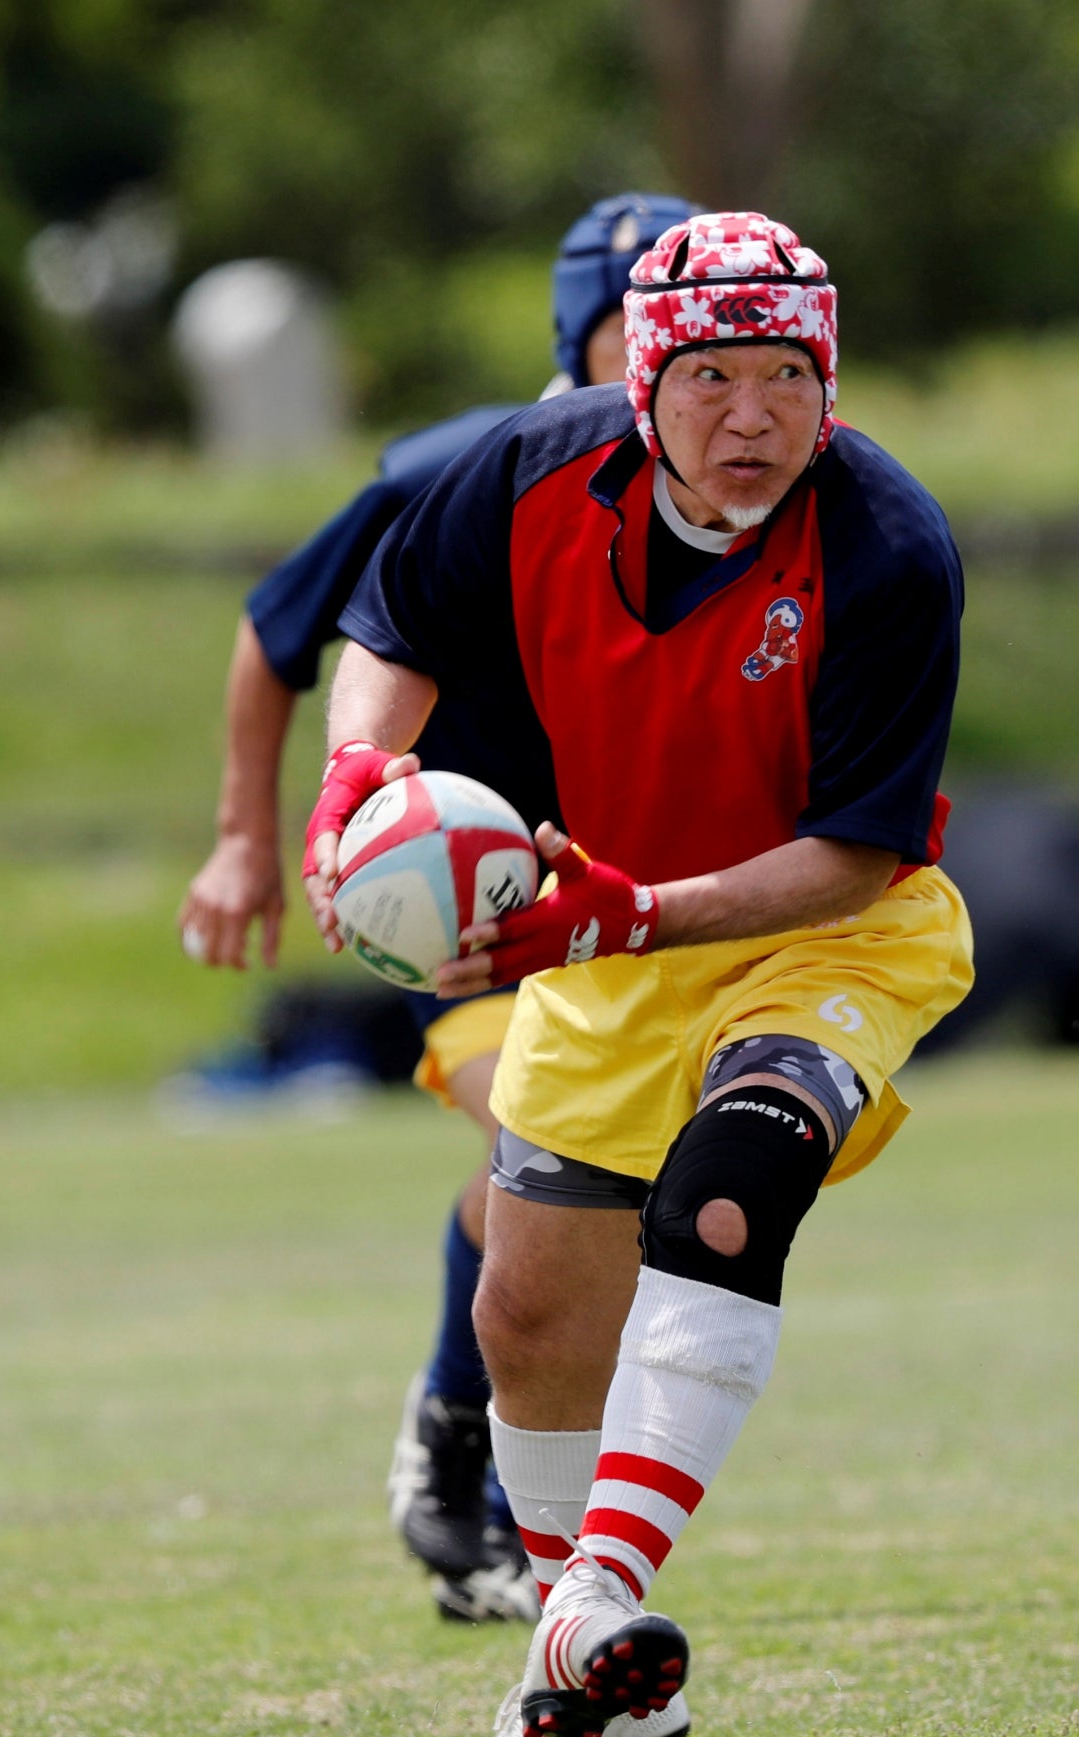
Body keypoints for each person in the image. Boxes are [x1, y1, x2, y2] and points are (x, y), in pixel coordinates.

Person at [302, 211, 972, 1737]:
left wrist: (633, 908)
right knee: (524, 1324)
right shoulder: (528, 469)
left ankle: (587, 1610)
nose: (755, 419)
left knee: (732, 1193)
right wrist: (351, 781)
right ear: (642, 375)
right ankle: (592, 1700)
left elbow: (855, 851)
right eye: (716, 379)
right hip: (609, 954)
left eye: (788, 380)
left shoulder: (889, 544)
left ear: (831, 383)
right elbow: (386, 633)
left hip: (829, 936)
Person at [176, 191, 700, 1623]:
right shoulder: (469, 470)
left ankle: (476, 1439)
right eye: (650, 318)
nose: (688, 349)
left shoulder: (733, 501)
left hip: (622, 904)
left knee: (606, 1182)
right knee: (550, 1152)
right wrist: (242, 840)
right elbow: (278, 630)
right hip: (454, 895)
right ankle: (461, 1458)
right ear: (582, 325)